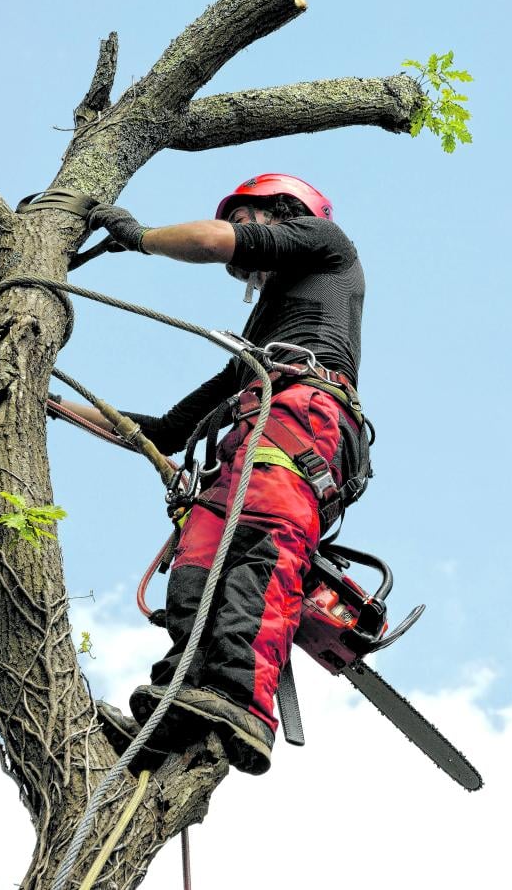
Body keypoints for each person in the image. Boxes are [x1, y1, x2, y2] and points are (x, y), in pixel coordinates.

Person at [63, 174, 370, 775]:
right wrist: (43, 400)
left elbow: (209, 241)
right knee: (199, 562)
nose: (246, 261)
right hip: (256, 429)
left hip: (300, 420)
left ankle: (242, 700)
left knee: (258, 541)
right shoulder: (261, 348)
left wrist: (137, 235)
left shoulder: (327, 242)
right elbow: (165, 431)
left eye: (244, 219)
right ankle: (179, 702)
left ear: (279, 212)